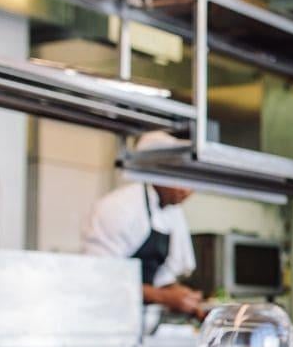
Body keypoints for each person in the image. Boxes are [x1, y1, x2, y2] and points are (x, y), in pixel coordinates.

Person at [83, 131, 205, 318]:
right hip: (105, 317)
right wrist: (164, 297)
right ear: (157, 172)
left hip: (141, 321)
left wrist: (187, 299)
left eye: (191, 181)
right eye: (180, 179)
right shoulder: (120, 207)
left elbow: (163, 277)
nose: (187, 190)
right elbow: (102, 279)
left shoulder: (173, 213)